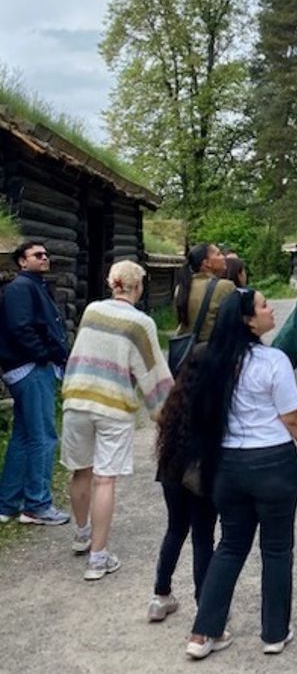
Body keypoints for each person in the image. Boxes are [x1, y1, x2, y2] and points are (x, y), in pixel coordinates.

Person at [185, 289, 297, 659]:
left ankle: (203, 633)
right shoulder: (272, 360)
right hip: (273, 463)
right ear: (248, 320)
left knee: (230, 545)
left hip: (228, 465)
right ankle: (274, 632)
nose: (270, 309)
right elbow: (292, 416)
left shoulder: (213, 360)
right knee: (277, 549)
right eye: (264, 305)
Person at [61, 260, 173, 580]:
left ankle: (82, 534)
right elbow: (152, 372)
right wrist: (168, 412)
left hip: (78, 398)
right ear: (137, 287)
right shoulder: (141, 323)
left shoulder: (91, 311)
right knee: (105, 479)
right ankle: (98, 559)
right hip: (113, 406)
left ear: (112, 283)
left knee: (80, 471)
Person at [0, 240, 70, 526]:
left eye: (46, 254)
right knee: (43, 436)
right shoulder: (20, 288)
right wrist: (43, 356)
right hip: (29, 368)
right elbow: (20, 328)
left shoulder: (33, 286)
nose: (45, 258)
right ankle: (37, 505)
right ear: (21, 261)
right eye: (37, 255)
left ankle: (7, 505)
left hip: (27, 367)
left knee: (24, 436)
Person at [148, 351, 218, 622]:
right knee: (203, 538)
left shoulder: (173, 403)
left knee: (175, 529)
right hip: (200, 475)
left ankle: (160, 595)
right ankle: (205, 603)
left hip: (171, 472)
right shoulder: (213, 406)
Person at [174, 243, 234, 343]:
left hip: (187, 351)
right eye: (218, 254)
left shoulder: (181, 288)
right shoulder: (225, 286)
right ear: (207, 263)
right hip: (213, 348)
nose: (223, 257)